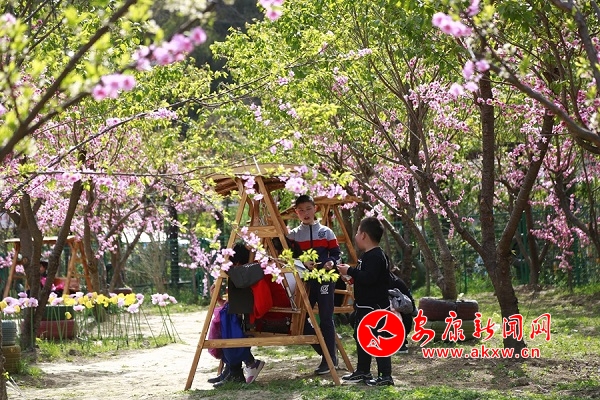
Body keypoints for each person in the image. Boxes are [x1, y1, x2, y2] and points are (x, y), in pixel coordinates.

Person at [287, 194, 341, 375]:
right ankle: (326, 353)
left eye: (308, 209)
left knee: (326, 318)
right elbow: (287, 258)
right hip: (304, 281)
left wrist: (331, 262)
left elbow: (337, 255)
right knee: (300, 318)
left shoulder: (327, 232)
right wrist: (302, 263)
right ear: (296, 212)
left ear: (315, 209)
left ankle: (329, 359)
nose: (305, 213)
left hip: (325, 279)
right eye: (301, 210)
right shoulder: (293, 235)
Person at [337, 217, 394, 386]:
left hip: (375, 307)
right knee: (361, 336)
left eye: (357, 232)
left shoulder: (376, 256)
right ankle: (363, 371)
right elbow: (365, 277)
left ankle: (385, 375)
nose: (355, 235)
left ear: (363, 235)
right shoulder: (367, 256)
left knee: (378, 339)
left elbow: (370, 278)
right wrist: (351, 278)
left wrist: (351, 270)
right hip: (364, 306)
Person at [208, 243, 265, 387]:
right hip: (243, 312)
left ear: (238, 263)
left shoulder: (250, 271)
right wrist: (220, 300)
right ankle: (232, 369)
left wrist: (227, 265)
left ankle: (237, 369)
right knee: (225, 317)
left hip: (254, 315)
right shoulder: (246, 272)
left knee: (228, 320)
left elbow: (243, 298)